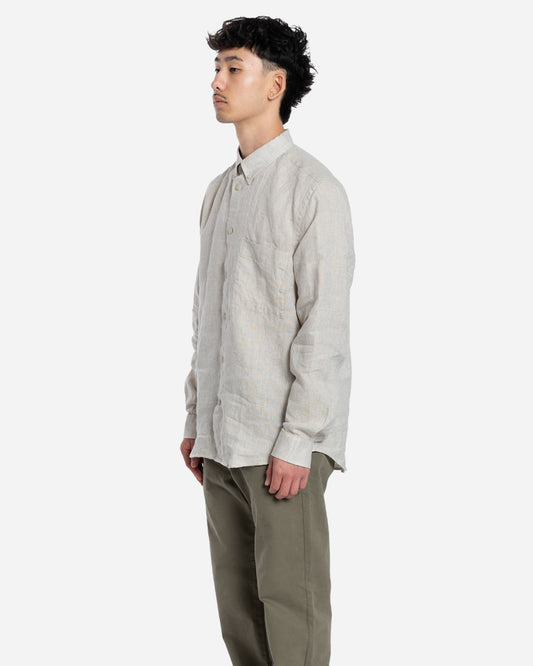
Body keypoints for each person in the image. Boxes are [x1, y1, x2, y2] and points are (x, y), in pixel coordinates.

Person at [179, 15, 355, 666]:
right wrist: (196, 419)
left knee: (292, 615)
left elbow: (324, 325)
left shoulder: (312, 189)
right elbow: (207, 318)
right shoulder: (219, 193)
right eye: (216, 68)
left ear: (275, 84)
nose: (217, 82)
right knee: (240, 618)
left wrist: (298, 440)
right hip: (222, 439)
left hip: (281, 444)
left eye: (233, 68)